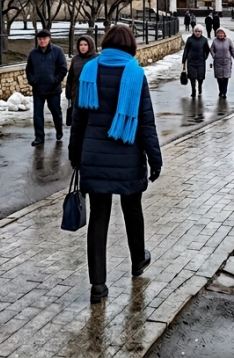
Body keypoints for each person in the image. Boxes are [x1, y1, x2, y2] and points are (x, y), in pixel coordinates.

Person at [69, 25, 162, 305]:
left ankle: (98, 285)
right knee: (132, 209)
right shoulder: (135, 73)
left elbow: (78, 120)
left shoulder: (89, 71)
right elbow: (146, 122)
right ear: (131, 46)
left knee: (98, 219)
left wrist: (75, 156)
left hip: (94, 157)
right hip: (128, 155)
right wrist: (155, 159)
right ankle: (137, 261)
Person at [26, 29, 68, 146]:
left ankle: (59, 131)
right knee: (37, 114)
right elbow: (29, 70)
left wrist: (55, 80)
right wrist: (32, 81)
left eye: (44, 38)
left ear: (49, 38)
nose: (42, 41)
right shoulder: (33, 53)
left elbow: (63, 69)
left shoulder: (57, 51)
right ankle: (39, 137)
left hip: (53, 89)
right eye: (40, 39)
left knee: (56, 111)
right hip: (38, 89)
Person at [65, 35, 98, 127]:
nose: (83, 47)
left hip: (91, 95)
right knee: (77, 122)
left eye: (85, 45)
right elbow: (71, 77)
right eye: (81, 45)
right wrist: (69, 92)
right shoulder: (75, 59)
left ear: (90, 45)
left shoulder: (96, 59)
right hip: (76, 94)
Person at [182, 26, 211, 97]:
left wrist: (205, 57)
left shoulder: (204, 40)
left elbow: (207, 50)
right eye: (196, 31)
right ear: (194, 32)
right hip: (191, 61)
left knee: (200, 77)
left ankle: (200, 87)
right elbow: (186, 50)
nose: (197, 33)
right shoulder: (190, 39)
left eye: (199, 31)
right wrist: (184, 60)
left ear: (201, 32)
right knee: (192, 77)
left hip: (201, 61)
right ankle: (193, 90)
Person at [211, 28, 234, 98]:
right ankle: (220, 90)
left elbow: (232, 50)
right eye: (219, 33)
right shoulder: (215, 41)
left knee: (225, 78)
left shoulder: (228, 41)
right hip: (218, 62)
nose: (220, 34)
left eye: (222, 33)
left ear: (224, 34)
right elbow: (211, 49)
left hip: (226, 62)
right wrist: (214, 56)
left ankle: (224, 92)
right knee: (219, 78)